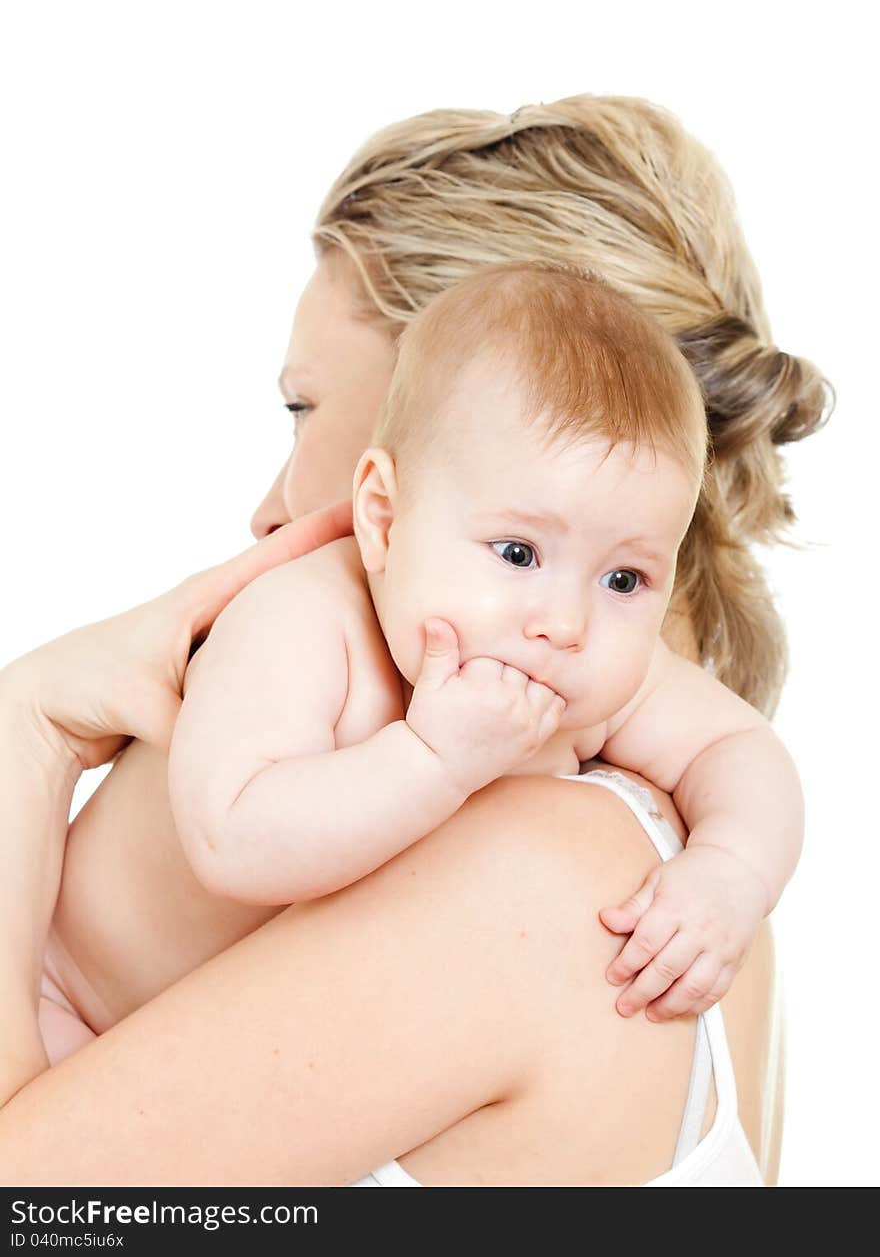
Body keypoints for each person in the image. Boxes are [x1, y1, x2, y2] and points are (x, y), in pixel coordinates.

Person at [0, 95, 831, 1185]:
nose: (266, 508)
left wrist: (30, 725)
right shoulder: (664, 884)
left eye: (302, 410)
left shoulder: (538, 882)